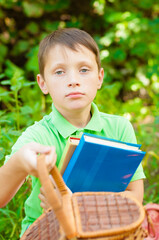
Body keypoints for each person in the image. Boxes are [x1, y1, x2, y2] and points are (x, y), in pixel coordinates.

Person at [0, 28, 145, 237]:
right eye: (59, 72)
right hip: (47, 230)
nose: (73, 80)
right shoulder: (38, 136)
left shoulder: (120, 128)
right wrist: (21, 162)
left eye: (84, 70)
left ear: (99, 78)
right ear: (43, 83)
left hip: (106, 229)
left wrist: (72, 204)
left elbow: (135, 196)